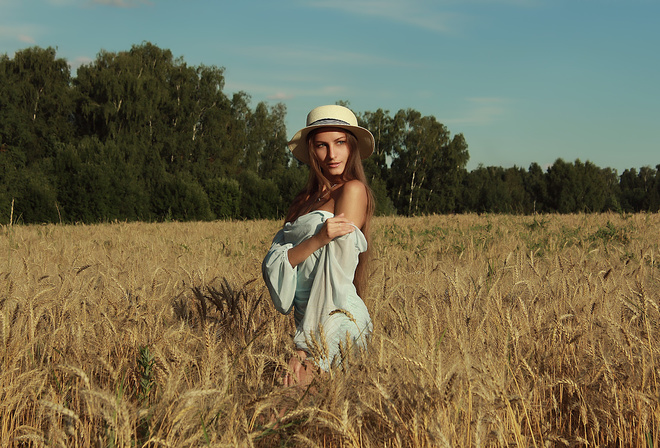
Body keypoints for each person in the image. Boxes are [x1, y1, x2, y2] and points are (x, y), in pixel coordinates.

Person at [262, 104, 375, 387]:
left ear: (351, 148)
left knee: (289, 409)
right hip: (307, 321)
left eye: (340, 143)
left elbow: (335, 271)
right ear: (312, 151)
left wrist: (307, 343)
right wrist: (317, 239)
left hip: (335, 317)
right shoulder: (303, 200)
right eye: (322, 146)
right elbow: (276, 262)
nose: (332, 154)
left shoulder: (353, 191)